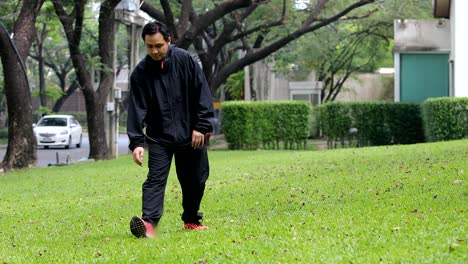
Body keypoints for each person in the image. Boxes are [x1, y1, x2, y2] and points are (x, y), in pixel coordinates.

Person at [126, 21, 214, 238]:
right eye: (149, 47)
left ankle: (192, 219)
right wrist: (137, 142)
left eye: (158, 45)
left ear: (168, 41)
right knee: (155, 180)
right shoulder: (140, 74)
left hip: (191, 135)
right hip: (159, 138)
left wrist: (201, 127)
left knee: (195, 179)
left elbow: (202, 93)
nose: (154, 51)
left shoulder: (186, 61)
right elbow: (136, 109)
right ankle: (148, 224)